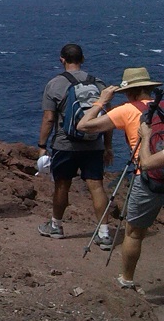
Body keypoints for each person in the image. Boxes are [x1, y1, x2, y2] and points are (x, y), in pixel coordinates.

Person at [76, 67, 162, 289]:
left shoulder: (126, 110)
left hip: (148, 176)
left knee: (134, 233)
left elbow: (84, 126)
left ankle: (127, 279)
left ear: (128, 92)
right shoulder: (162, 107)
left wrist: (101, 101)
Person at [36, 44, 113, 248]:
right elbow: (108, 120)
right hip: (94, 143)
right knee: (96, 186)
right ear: (83, 59)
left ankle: (56, 226)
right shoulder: (99, 84)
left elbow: (49, 118)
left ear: (62, 59)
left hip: (65, 144)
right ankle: (104, 234)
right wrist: (108, 146)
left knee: (62, 184)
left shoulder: (54, 84)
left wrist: (42, 145)